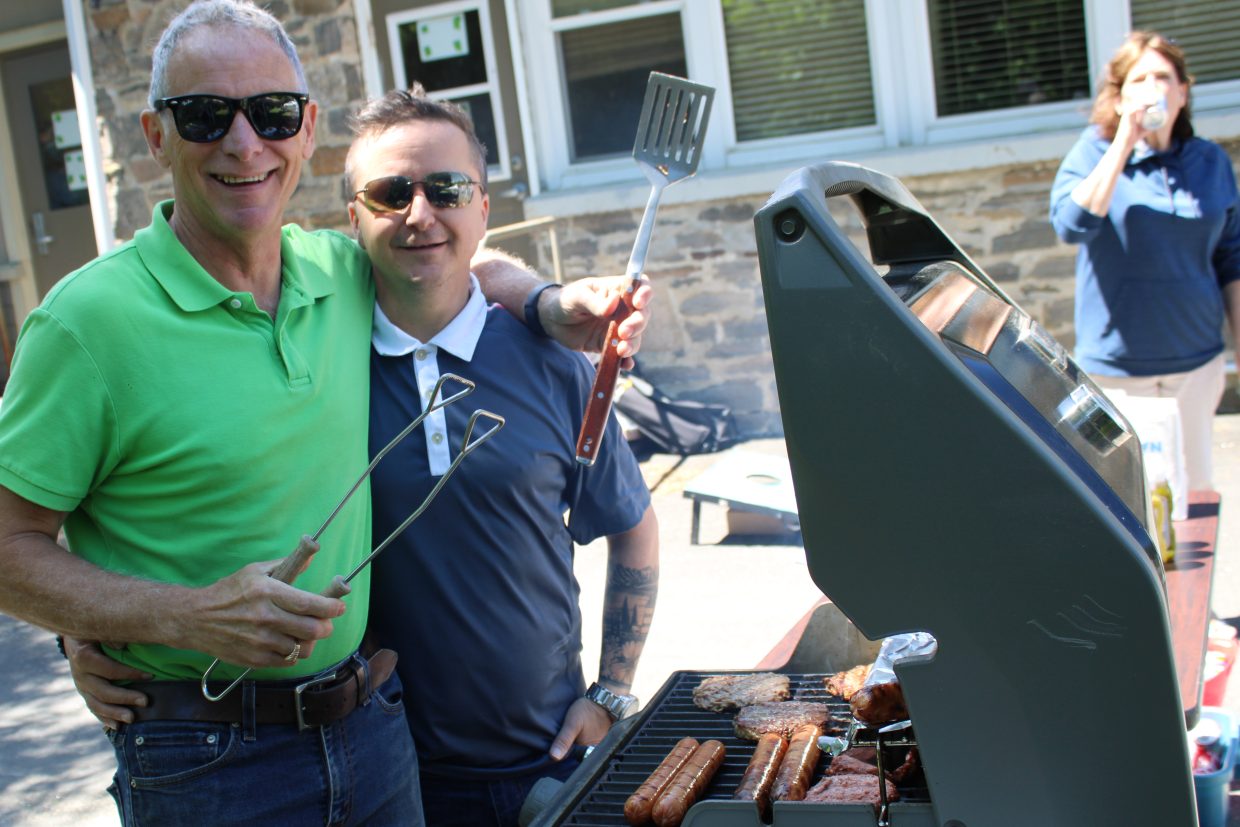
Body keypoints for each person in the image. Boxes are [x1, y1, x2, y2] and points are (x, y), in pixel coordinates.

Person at [0, 2, 648, 825]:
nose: (244, 143)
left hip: (372, 734)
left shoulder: (335, 273)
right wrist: (171, 617)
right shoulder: (86, 323)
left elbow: (443, 254)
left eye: (271, 112)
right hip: (206, 759)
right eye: (204, 115)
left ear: (306, 130)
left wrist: (548, 302)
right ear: (157, 135)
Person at [1049, 30, 1240, 492]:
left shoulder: (1209, 161)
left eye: (1163, 77)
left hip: (1196, 365)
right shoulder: (1095, 152)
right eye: (1139, 79)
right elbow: (1071, 225)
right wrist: (1125, 142)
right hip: (1118, 371)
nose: (1153, 88)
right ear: (1118, 97)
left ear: (1182, 92)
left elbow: (1232, 257)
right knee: (1130, 500)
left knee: (1194, 494)